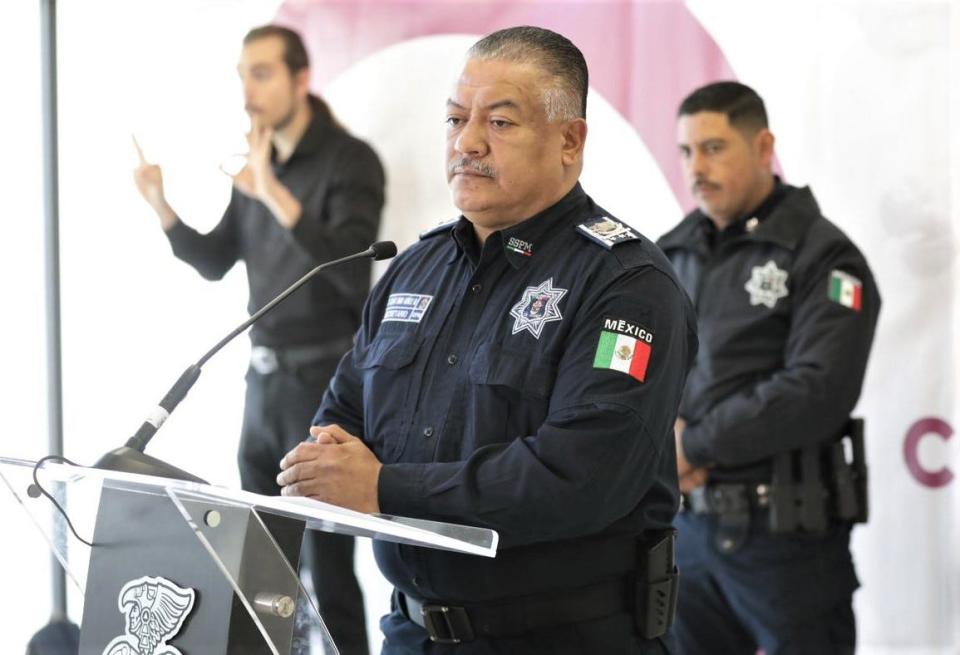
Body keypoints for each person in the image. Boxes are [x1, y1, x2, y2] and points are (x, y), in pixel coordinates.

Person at [276, 25, 698, 654]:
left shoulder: (625, 284)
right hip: (412, 633)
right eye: (454, 119)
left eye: (500, 123)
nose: (466, 142)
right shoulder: (413, 268)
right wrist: (330, 468)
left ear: (569, 140)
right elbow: (341, 418)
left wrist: (386, 487)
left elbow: (581, 476)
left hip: (561, 639)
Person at [132, 24, 383, 655]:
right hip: (263, 384)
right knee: (259, 567)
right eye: (243, 73)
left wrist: (271, 191)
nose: (248, 90)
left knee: (327, 566)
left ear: (301, 79)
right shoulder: (257, 161)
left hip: (325, 384)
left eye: (263, 73)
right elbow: (217, 259)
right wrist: (162, 206)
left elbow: (351, 269)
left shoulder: (349, 160)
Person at [657, 81, 881, 655]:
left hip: (789, 547)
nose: (696, 168)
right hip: (687, 535)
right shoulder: (669, 253)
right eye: (685, 152)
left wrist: (695, 445)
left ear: (763, 148)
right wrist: (660, 444)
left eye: (713, 148)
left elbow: (817, 390)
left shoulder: (824, 255)